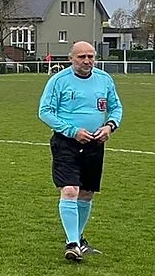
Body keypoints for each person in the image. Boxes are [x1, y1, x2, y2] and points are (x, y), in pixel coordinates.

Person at [38, 41, 122, 263]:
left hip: (95, 143)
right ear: (71, 58)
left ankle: (79, 239)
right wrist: (72, 131)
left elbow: (116, 107)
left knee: (86, 193)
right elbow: (45, 111)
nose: (87, 61)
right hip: (66, 143)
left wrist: (110, 126)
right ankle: (72, 243)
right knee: (70, 190)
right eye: (81, 57)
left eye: (90, 56)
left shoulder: (104, 79)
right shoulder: (58, 81)